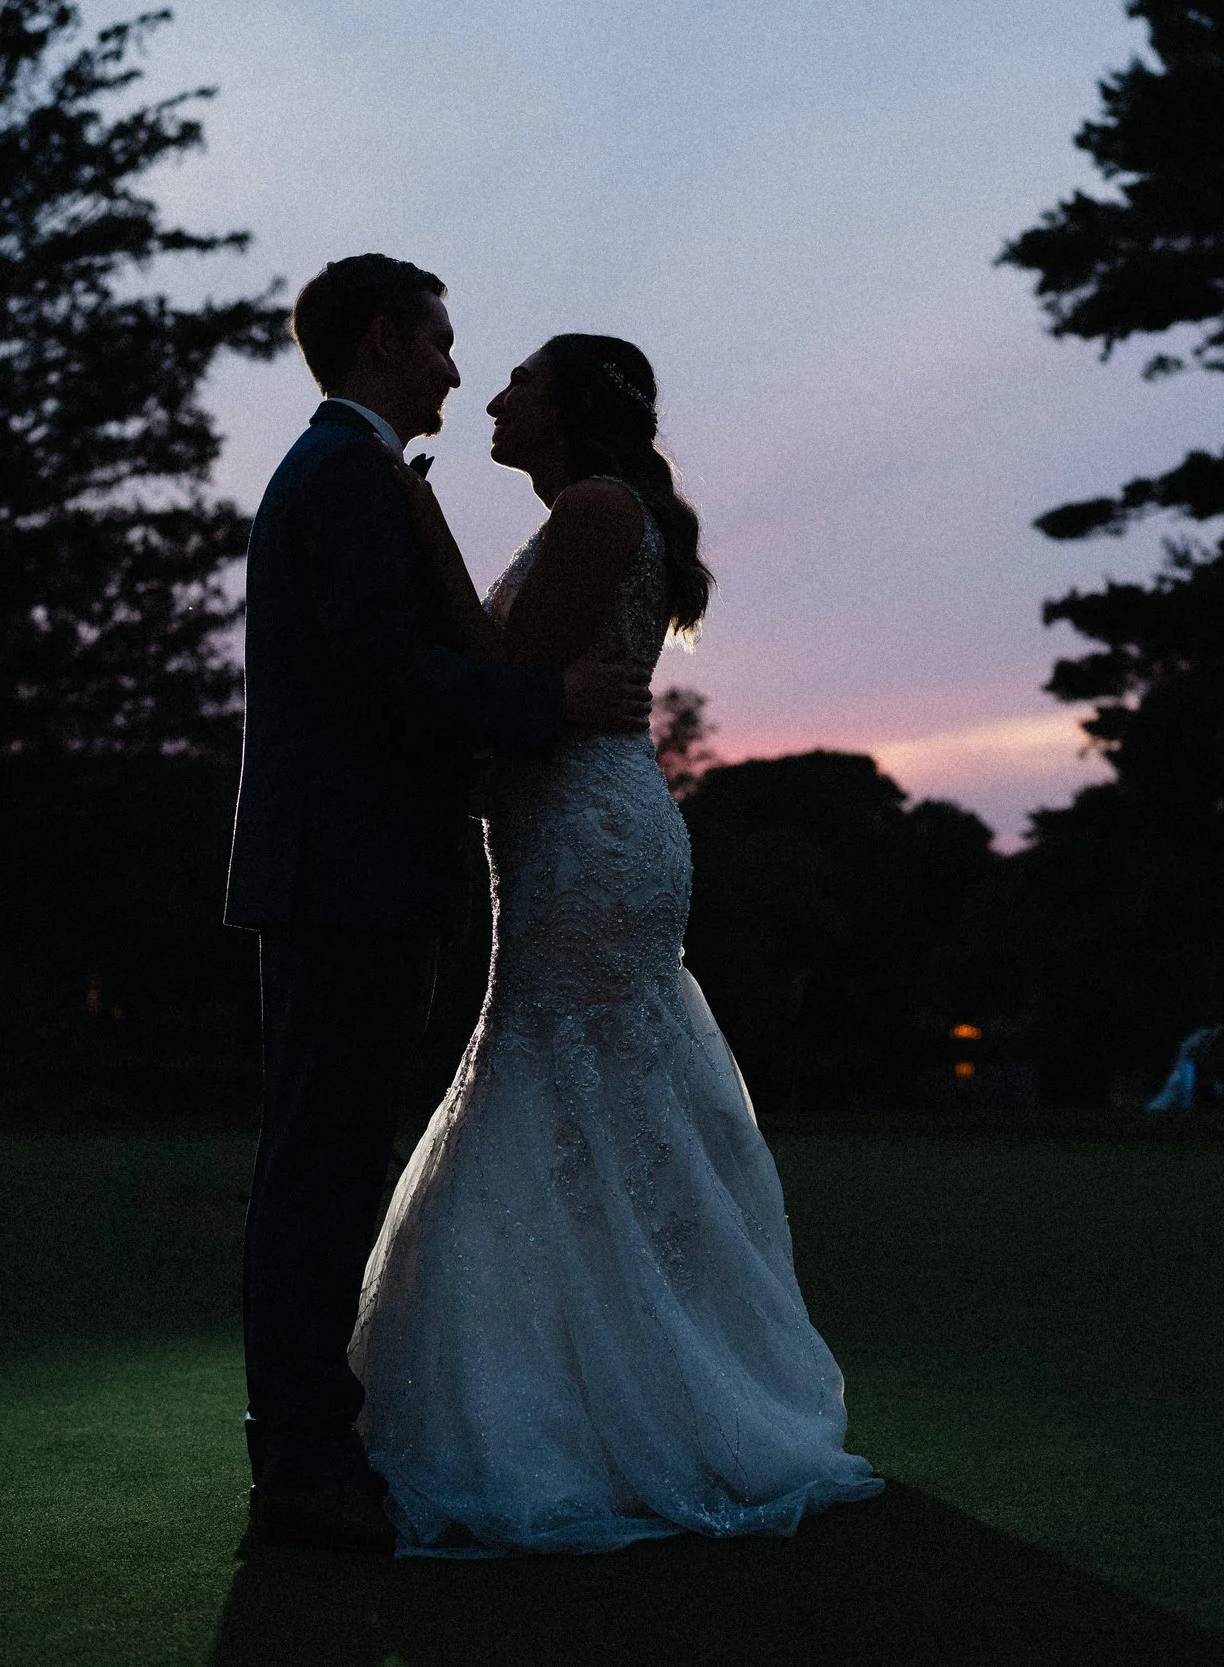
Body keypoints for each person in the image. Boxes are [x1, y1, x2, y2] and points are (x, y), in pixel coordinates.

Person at [349, 333, 882, 1555]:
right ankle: (594, 1390)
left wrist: (421, 516)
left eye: (520, 381)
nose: (490, 394)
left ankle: (624, 1403)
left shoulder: (595, 507)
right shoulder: (589, 508)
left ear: (574, 406)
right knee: (574, 1094)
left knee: (568, 1087)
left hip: (592, 840)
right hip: (558, 836)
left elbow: (505, 677)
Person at [223, 257, 652, 1553]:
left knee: (332, 1151)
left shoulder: (350, 473)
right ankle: (301, 1455)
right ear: (378, 341)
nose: (457, 374)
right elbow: (380, 669)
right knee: (323, 1160)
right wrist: (547, 706)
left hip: (351, 869)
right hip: (342, 873)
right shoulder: (346, 475)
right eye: (440, 344)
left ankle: (314, 1435)